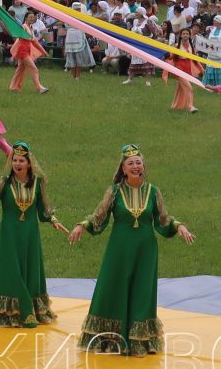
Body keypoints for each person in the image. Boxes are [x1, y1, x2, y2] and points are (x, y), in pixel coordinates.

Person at [68, 144, 196, 355]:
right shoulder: (115, 191)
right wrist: (81, 225)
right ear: (123, 169)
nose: (135, 166)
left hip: (146, 251)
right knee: (113, 288)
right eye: (130, 163)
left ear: (143, 166)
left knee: (142, 291)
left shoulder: (153, 191)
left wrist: (179, 226)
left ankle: (139, 341)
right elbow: (99, 217)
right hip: (119, 250)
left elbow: (163, 220)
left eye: (138, 163)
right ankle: (110, 338)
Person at [0, 140, 66, 327]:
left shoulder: (37, 183)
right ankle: (22, 311)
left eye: (21, 160)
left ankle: (29, 309)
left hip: (30, 236)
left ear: (29, 163)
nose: (17, 164)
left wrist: (53, 220)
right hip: (9, 235)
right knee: (11, 271)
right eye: (15, 160)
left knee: (28, 270)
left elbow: (44, 210)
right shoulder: (4, 183)